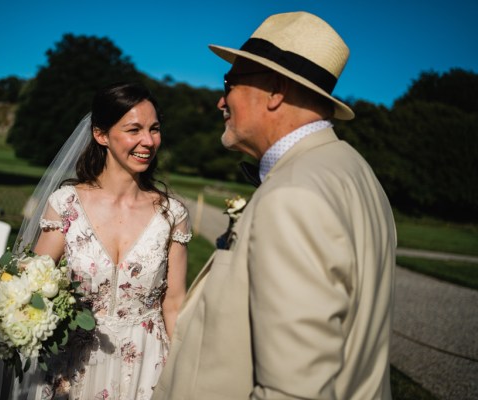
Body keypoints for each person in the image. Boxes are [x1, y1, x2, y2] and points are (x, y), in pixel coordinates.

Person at [152, 11, 397, 400]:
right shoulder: (357, 175)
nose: (220, 100)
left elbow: (294, 389)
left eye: (229, 83)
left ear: (276, 91)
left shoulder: (293, 194)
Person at [0, 82, 191, 400]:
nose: (148, 141)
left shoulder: (171, 214)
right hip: (71, 367)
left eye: (154, 129)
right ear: (101, 134)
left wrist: (185, 374)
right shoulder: (66, 205)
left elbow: (174, 305)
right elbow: (31, 286)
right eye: (134, 129)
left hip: (146, 368)